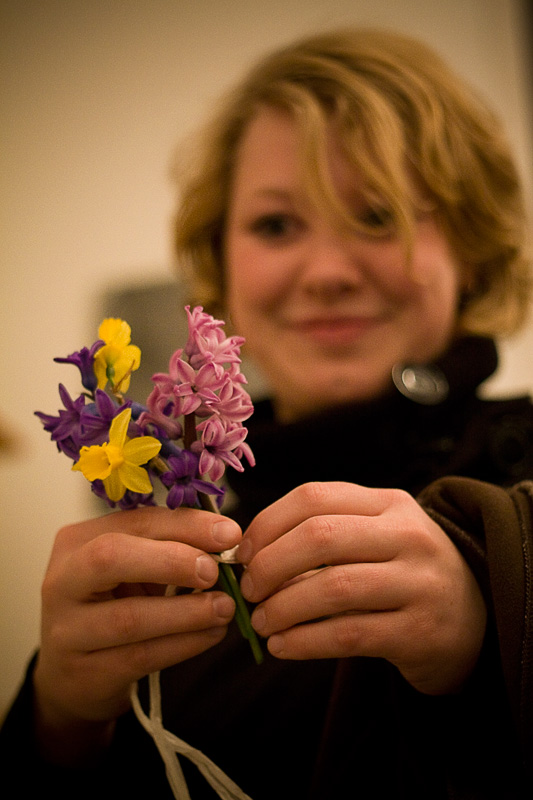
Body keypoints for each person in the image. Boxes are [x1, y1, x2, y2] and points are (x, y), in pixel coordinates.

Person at [1, 27, 532, 799]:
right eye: (276, 225)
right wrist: (61, 727)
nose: (324, 273)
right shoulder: (180, 545)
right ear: (221, 259)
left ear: (472, 250)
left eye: (379, 214)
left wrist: (500, 622)